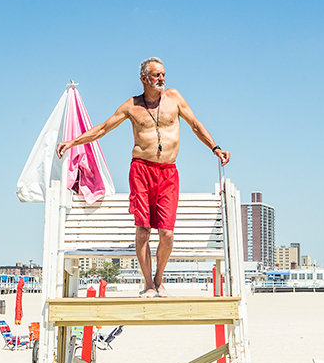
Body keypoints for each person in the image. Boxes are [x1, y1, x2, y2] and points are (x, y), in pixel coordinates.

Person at [56, 57, 231, 298]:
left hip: (168, 171)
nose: (161, 78)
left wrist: (216, 148)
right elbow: (103, 128)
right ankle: (148, 283)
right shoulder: (132, 106)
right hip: (141, 170)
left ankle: (159, 279)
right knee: (143, 231)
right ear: (144, 79)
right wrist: (71, 142)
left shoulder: (175, 98)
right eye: (156, 75)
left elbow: (196, 125)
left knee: (167, 233)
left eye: (163, 74)